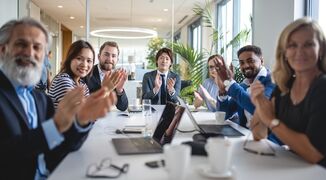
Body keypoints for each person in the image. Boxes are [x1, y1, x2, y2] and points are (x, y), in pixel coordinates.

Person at [0, 18, 116, 179]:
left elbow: (61, 147)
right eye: (21, 44)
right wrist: (55, 126)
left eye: (37, 47)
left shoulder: (41, 100)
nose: (30, 53)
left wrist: (82, 120)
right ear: (3, 50)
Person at [250, 17, 326, 167]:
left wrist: (272, 121)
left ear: (321, 49)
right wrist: (259, 102)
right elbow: (259, 133)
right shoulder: (284, 86)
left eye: (308, 44)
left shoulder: (322, 87)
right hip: (296, 168)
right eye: (292, 45)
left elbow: (314, 153)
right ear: (284, 52)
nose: (300, 52)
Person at [213, 45, 275, 128]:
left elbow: (260, 111)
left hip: (266, 138)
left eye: (251, 61)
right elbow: (223, 116)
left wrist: (229, 83)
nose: (246, 66)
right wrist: (222, 92)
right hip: (246, 136)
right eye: (242, 62)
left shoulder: (272, 81)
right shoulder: (243, 86)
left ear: (261, 61)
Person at [49, 40, 97, 109]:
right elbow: (82, 114)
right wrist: (105, 90)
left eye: (89, 61)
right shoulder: (63, 81)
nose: (84, 65)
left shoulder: (82, 84)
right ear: (70, 59)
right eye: (79, 58)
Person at [86, 41, 128, 111]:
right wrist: (105, 89)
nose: (110, 59)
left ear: (117, 60)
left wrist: (119, 90)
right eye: (106, 54)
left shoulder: (115, 76)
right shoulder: (87, 73)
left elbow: (123, 107)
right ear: (99, 57)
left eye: (113, 56)